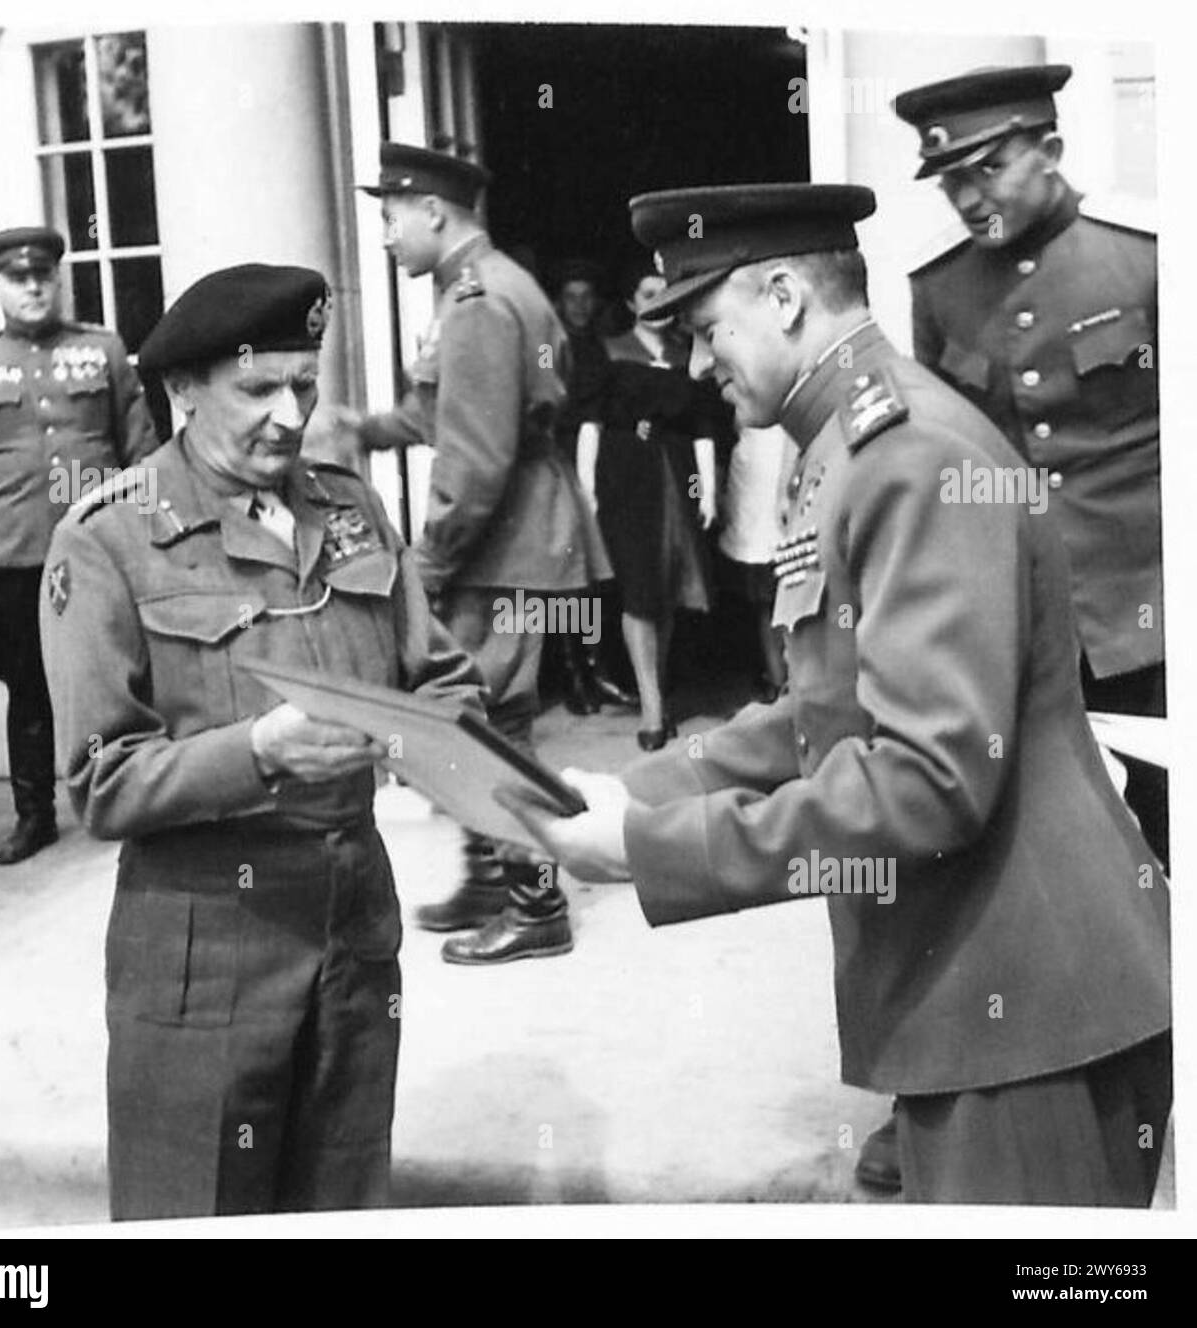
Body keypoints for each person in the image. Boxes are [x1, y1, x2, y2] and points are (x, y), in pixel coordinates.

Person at [501, 183, 1171, 1206]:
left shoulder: (910, 457)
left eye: (704, 329)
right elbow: (829, 706)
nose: (696, 363)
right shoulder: (849, 444)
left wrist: (651, 850)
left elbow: (927, 782)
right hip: (977, 992)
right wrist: (640, 792)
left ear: (782, 298)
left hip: (1027, 1002)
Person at [39, 263, 484, 1219]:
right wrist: (260, 752)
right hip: (207, 952)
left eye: (305, 383)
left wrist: (449, 752)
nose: (290, 415)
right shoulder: (107, 539)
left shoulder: (351, 508)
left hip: (352, 934)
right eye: (258, 388)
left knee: (342, 1202)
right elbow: (99, 782)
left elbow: (442, 677)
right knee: (196, 1209)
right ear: (183, 390)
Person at [862, 62, 1169, 1197]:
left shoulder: (1147, 261)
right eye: (951, 182)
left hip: (1148, 614)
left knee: (1165, 846)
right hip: (1023, 624)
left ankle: (1158, 1067)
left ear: (1049, 145)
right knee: (1019, 853)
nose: (969, 197)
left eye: (987, 168)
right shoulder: (941, 289)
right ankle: (996, 1080)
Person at [347, 143, 610, 966]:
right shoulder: (482, 287)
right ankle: (492, 879)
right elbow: (447, 412)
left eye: (392, 216)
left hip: (505, 543)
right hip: (516, 535)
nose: (386, 234)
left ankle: (536, 905)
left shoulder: (479, 302)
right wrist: (366, 430)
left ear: (434, 212)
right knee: (477, 711)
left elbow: (475, 459)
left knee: (491, 723)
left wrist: (427, 563)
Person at [0, 225, 157, 863]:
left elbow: (141, 451)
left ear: (58, 280)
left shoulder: (101, 350)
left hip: (100, 546)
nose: (32, 288)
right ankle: (34, 816)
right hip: (14, 553)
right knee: (28, 685)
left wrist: (147, 536)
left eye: (42, 276)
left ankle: (133, 801)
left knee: (120, 675)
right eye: (17, 278)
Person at [575, 263, 720, 749]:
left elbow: (702, 427)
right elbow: (591, 424)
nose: (658, 303)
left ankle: (654, 689)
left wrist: (707, 491)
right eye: (647, 294)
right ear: (631, 303)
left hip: (677, 476)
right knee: (639, 590)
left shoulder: (690, 356)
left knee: (667, 588)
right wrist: (588, 490)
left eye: (665, 294)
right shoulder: (609, 351)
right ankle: (653, 711)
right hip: (624, 477)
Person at [549, 258, 638, 716]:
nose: (580, 306)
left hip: (601, 464)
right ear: (559, 301)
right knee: (568, 578)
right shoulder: (550, 346)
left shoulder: (601, 345)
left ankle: (599, 669)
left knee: (601, 577)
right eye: (571, 298)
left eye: (587, 297)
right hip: (562, 464)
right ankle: (574, 674)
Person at [716, 425, 794, 703]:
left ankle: (788, 680)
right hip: (751, 477)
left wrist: (785, 487)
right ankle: (778, 678)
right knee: (765, 598)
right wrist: (709, 490)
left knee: (789, 597)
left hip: (782, 471)